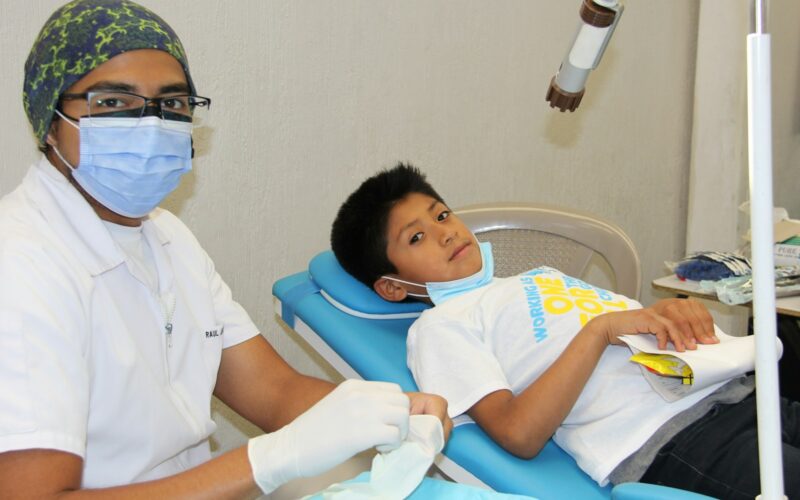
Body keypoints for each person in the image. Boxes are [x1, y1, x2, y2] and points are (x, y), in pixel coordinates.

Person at [0, 2, 451, 498]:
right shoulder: (20, 267)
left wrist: (396, 409)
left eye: (172, 104)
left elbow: (276, 392)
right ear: (50, 121)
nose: (150, 126)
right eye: (113, 102)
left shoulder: (168, 237)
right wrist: (272, 458)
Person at [330, 163, 800, 500]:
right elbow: (518, 433)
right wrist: (598, 332)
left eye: (441, 215)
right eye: (416, 237)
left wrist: (674, 315)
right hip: (672, 439)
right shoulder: (440, 327)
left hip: (738, 394)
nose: (446, 232)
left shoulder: (536, 278)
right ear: (392, 287)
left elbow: (629, 335)